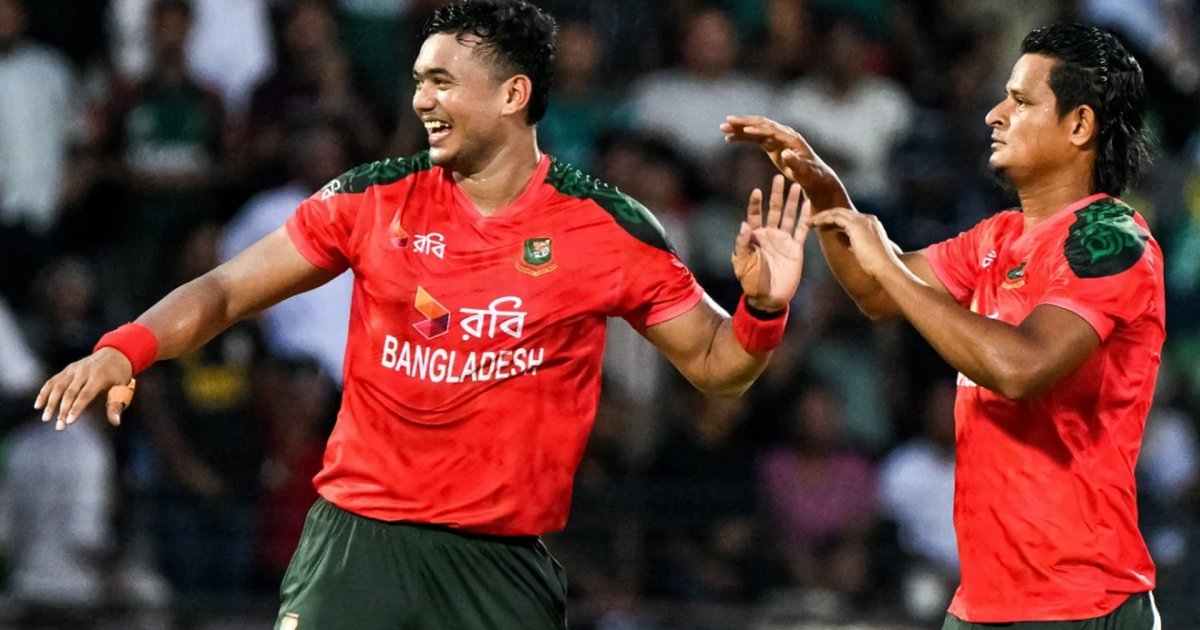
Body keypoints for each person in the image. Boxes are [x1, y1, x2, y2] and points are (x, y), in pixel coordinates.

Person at [35, 1, 814, 628]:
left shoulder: (605, 226)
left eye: (443, 82)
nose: (421, 101)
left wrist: (763, 306)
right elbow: (227, 290)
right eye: (418, 82)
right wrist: (126, 348)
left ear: (513, 95)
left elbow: (717, 367)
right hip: (358, 546)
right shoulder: (373, 198)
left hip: (500, 568)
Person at [726, 22, 1163, 630]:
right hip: (983, 602)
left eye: (1021, 101)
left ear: (1080, 125)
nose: (994, 114)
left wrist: (887, 264)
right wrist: (824, 190)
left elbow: (1020, 368)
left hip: (1081, 603)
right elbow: (877, 293)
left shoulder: (1111, 239)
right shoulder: (997, 237)